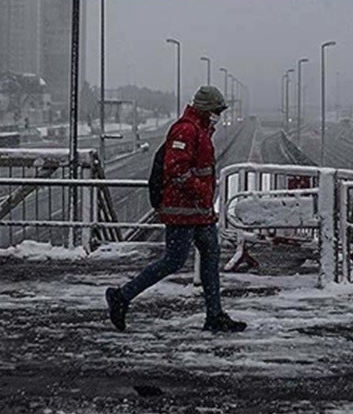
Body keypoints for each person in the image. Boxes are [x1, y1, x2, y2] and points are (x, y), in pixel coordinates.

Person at [106, 85, 247, 333]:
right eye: (217, 110)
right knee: (173, 260)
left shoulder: (201, 130)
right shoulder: (185, 130)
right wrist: (200, 191)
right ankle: (122, 295)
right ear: (206, 109)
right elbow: (176, 169)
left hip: (199, 211)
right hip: (183, 210)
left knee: (211, 258)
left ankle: (214, 314)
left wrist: (203, 198)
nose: (220, 115)